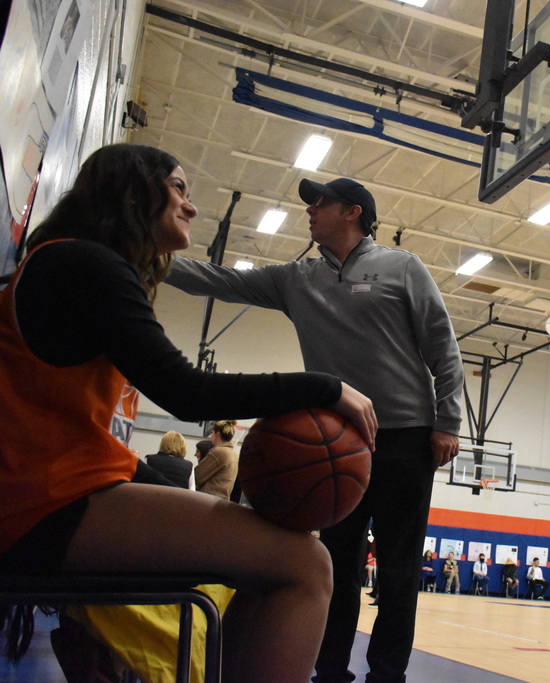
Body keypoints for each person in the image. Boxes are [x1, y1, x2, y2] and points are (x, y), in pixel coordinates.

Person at [0, 143, 378, 683]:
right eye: (178, 188)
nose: (191, 206)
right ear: (133, 193)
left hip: (48, 493)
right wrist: (324, 387)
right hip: (37, 504)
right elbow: (187, 392)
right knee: (306, 566)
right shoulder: (85, 265)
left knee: (266, 554)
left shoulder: (69, 261)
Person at [165, 174, 464, 683]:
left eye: (319, 202)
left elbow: (443, 346)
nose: (309, 209)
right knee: (336, 565)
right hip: (339, 440)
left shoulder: (403, 267)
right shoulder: (296, 278)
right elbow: (219, 280)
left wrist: (448, 421)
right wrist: (144, 257)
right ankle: (330, 674)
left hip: (408, 438)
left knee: (398, 570)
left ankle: (387, 676)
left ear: (353, 212)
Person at [194, 420, 237, 499]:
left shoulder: (219, 452)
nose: (211, 437)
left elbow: (197, 476)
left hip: (209, 498)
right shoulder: (233, 453)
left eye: (212, 433)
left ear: (218, 434)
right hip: (222, 499)